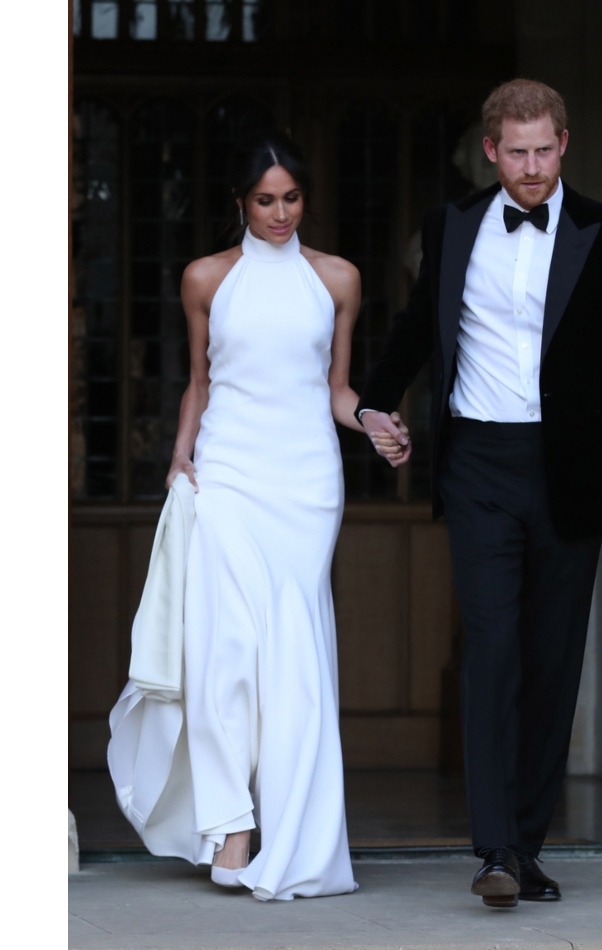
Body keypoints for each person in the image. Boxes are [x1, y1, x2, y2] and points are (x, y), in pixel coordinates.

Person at [357, 79, 602, 908]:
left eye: (545, 150)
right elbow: (417, 330)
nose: (532, 168)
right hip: (479, 468)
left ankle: (526, 848)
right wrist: (373, 402)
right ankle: (494, 848)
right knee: (494, 650)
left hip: (574, 470)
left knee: (551, 661)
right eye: (517, 152)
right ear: (491, 149)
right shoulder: (453, 225)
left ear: (563, 144)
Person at [108, 132, 372, 901]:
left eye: (291, 198)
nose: (281, 212)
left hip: (306, 485)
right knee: (223, 651)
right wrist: (180, 458)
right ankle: (231, 822)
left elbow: (338, 391)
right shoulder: (205, 278)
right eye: (266, 200)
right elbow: (199, 380)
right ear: (239, 202)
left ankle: (296, 830)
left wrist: (379, 423)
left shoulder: (338, 279)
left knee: (293, 658)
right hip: (226, 474)